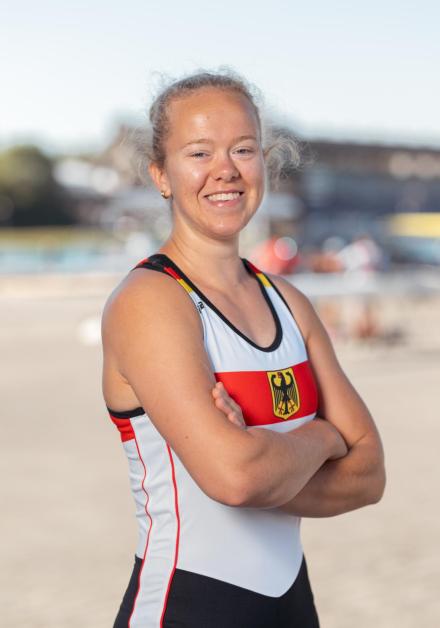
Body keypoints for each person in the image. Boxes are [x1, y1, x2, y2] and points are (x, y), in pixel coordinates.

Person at [101, 70, 386, 628]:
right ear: (161, 175)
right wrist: (324, 437)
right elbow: (236, 480)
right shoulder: (150, 302)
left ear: (264, 163)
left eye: (243, 149)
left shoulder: (289, 302)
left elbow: (370, 475)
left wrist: (265, 462)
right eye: (198, 152)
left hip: (293, 608)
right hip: (185, 607)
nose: (225, 170)